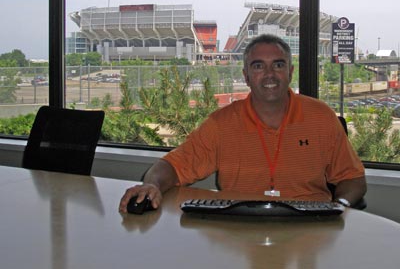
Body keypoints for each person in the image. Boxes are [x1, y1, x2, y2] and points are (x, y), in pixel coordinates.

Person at [119, 34, 366, 212]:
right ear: (246, 76)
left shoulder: (321, 117)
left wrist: (339, 207)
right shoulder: (222, 124)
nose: (269, 75)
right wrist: (151, 185)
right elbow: (172, 166)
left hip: (310, 224)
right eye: (259, 66)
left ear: (290, 72)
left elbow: (353, 178)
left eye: (278, 65)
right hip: (239, 224)